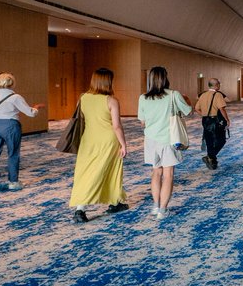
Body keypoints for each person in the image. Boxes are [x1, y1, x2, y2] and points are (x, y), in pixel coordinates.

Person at [69, 67, 128, 222]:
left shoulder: (83, 97)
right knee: (108, 170)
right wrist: (123, 144)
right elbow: (116, 126)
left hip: (88, 139)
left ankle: (81, 209)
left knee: (85, 171)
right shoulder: (111, 101)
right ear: (109, 82)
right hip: (107, 140)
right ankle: (113, 202)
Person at [137, 66, 192, 219]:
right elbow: (188, 111)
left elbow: (143, 122)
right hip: (168, 139)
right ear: (165, 78)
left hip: (151, 140)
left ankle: (155, 206)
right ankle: (163, 209)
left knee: (156, 172)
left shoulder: (143, 97)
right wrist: (187, 100)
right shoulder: (174, 94)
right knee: (168, 175)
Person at [0, 72, 44, 195]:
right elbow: (30, 113)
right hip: (10, 125)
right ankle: (13, 182)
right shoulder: (15, 97)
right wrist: (36, 108)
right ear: (12, 83)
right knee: (13, 153)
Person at [194, 78, 228, 170]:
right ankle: (210, 156)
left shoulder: (203, 95)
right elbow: (221, 109)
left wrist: (204, 115)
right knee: (221, 140)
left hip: (205, 120)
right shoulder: (218, 95)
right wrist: (227, 119)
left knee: (209, 140)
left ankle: (212, 161)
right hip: (215, 120)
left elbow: (196, 108)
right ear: (217, 85)